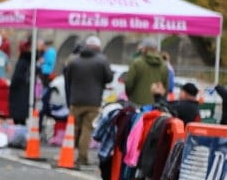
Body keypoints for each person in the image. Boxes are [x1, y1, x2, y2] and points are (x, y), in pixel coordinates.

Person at [62, 36, 114, 166]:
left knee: (73, 129)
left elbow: (67, 78)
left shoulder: (74, 61)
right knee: (87, 129)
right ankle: (82, 157)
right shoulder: (102, 61)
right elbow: (109, 78)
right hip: (93, 101)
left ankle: (67, 154)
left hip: (75, 100)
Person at [124, 37, 170, 107]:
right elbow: (166, 87)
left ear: (144, 48)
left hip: (136, 104)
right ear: (156, 49)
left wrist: (130, 96)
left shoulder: (136, 63)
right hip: (155, 106)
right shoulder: (164, 65)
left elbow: (129, 83)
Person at [8, 40, 33, 126]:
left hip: (19, 94)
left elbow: (17, 78)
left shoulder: (22, 61)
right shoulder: (29, 61)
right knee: (22, 121)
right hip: (24, 93)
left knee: (19, 120)